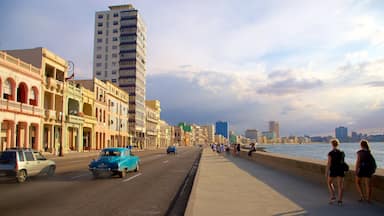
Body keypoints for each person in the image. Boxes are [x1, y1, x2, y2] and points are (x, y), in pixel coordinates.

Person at [326, 139, 346, 205]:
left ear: (332, 144)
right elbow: (343, 162)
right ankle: (340, 201)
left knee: (329, 183)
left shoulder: (330, 153)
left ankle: (333, 196)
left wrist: (327, 171)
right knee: (340, 186)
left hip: (333, 170)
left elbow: (329, 163)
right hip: (340, 170)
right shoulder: (342, 152)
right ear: (338, 144)